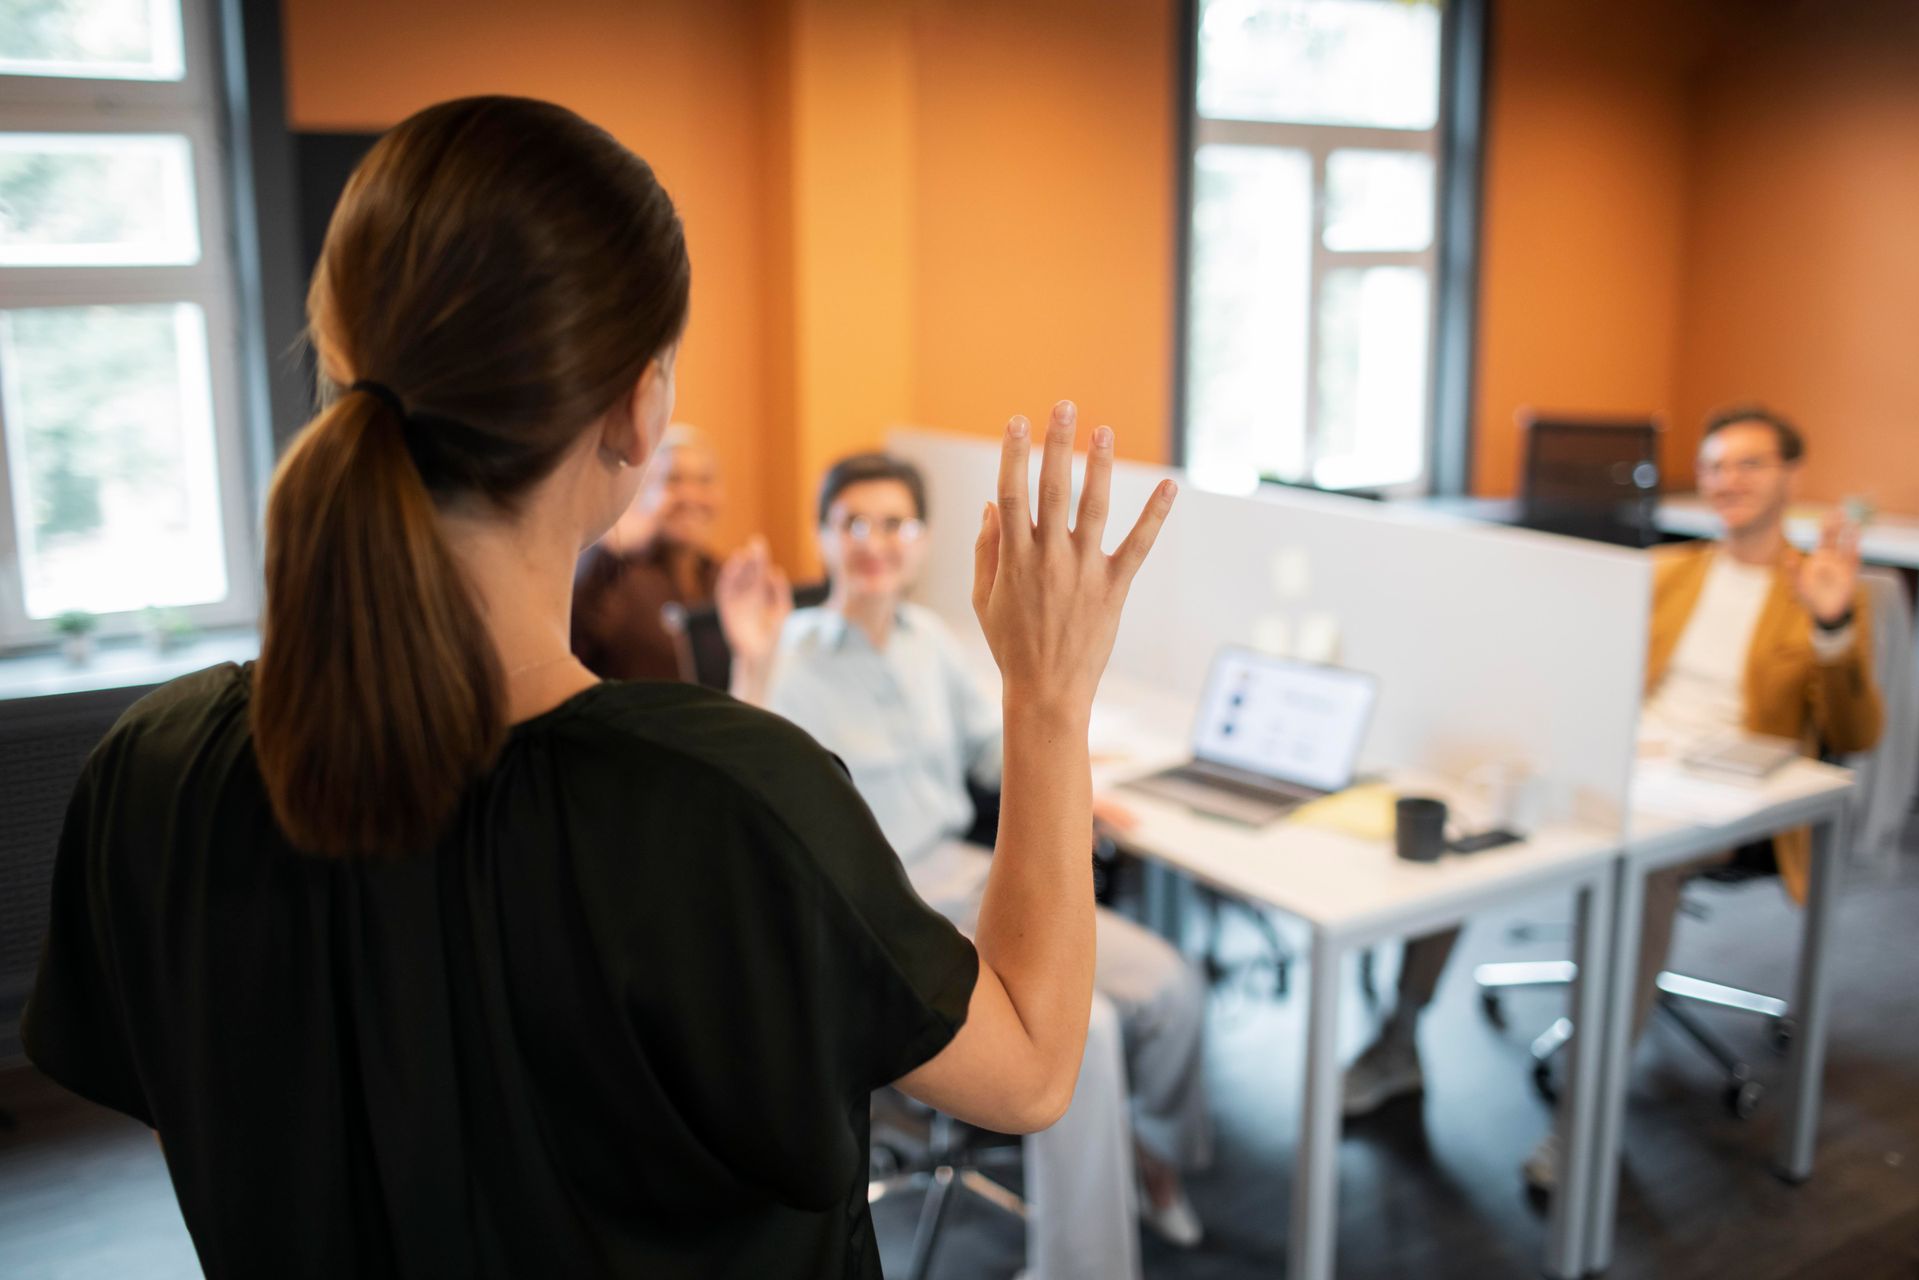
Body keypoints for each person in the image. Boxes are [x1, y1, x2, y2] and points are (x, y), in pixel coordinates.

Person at [21, 96, 1177, 1279]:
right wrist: (1048, 694)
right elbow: (1032, 1067)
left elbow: (204, 1126)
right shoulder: (724, 803)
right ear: (637, 407)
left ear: (342, 351)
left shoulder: (152, 771)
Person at [1342, 405, 1883, 1190]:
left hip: (1730, 798)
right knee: (1475, 810)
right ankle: (1398, 1039)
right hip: (1626, 762)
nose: (1727, 480)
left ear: (1790, 476)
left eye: (1749, 464)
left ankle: (1582, 1120)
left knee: (1643, 870)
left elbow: (1856, 732)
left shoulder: (1817, 586)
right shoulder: (1668, 570)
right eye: (1715, 465)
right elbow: (1583, 659)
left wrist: (1832, 624)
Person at [722, 451, 1212, 1280]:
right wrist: (752, 661)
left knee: (1171, 986)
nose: (875, 541)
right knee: (1085, 1032)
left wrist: (1084, 781)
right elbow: (744, 788)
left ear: (921, 540)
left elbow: (994, 748)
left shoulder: (935, 643)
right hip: (879, 905)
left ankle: (1150, 1160)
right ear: (823, 536)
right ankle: (1082, 1267)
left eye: (895, 524)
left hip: (969, 875)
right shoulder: (786, 653)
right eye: (853, 523)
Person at [571, 423, 725, 680]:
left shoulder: (722, 579)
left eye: (704, 481)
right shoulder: (614, 575)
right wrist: (607, 552)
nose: (691, 495)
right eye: (673, 480)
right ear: (643, 492)